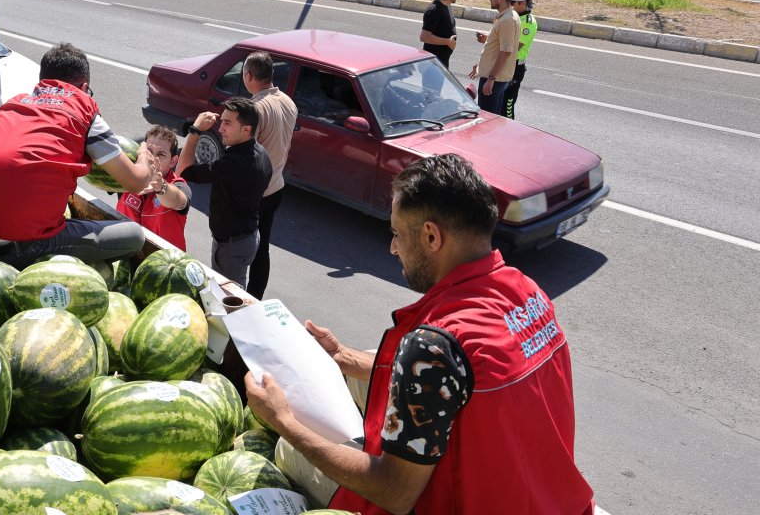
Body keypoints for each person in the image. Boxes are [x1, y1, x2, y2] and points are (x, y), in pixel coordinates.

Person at [244, 154, 595, 515]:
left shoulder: (432, 346)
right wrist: (343, 357)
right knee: (371, 357)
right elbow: (462, 375)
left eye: (397, 234)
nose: (393, 248)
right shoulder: (528, 294)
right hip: (551, 504)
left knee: (289, 450)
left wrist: (283, 422)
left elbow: (395, 493)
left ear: (431, 235)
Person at [0, 43, 157, 268]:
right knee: (133, 236)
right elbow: (135, 182)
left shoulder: (16, 103)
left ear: (41, 81)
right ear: (84, 87)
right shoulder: (84, 112)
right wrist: (144, 157)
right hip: (15, 247)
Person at [176, 97, 272, 288]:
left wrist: (195, 130)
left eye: (227, 123)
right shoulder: (261, 153)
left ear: (246, 129)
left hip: (231, 248)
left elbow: (182, 171)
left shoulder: (234, 165)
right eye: (222, 122)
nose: (220, 129)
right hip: (248, 236)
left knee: (228, 300)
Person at [243, 52, 296, 299]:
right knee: (262, 247)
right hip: (276, 186)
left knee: (239, 248)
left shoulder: (254, 109)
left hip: (255, 192)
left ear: (249, 76)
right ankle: (255, 297)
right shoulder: (287, 101)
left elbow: (244, 155)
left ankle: (237, 299)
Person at [117, 125, 191, 250]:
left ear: (173, 161)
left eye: (161, 154)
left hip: (164, 263)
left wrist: (160, 187)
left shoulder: (178, 185)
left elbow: (179, 201)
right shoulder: (130, 175)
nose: (152, 158)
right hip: (125, 250)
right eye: (149, 152)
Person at [468, 0, 518, 115]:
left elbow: (505, 52)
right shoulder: (506, 17)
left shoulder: (507, 20)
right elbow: (497, 48)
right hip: (495, 77)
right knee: (492, 119)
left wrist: (491, 79)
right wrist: (480, 65)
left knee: (487, 121)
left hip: (494, 80)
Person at [505, 0, 537, 120]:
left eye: (513, 3)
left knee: (507, 105)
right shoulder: (514, 16)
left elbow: (514, 47)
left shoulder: (528, 23)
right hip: (506, 64)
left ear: (523, 3)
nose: (510, 5)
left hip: (515, 66)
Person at [419, 0, 462, 68]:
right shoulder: (435, 10)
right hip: (432, 65)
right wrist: (447, 42)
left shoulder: (447, 6)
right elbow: (424, 37)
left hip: (441, 62)